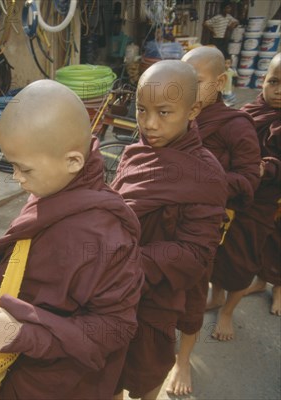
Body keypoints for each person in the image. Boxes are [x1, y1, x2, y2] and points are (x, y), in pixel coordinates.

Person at [0, 80, 144, 399]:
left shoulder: (107, 237)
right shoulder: (55, 188)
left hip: (62, 376)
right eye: (12, 165)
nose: (16, 177)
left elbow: (113, 329)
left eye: (24, 169)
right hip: (18, 347)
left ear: (73, 161)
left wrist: (23, 334)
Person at [111, 60, 228, 400]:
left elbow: (195, 252)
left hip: (158, 292)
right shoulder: (135, 154)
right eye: (141, 110)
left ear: (193, 110)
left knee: (146, 370)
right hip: (115, 289)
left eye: (164, 113)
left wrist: (127, 261)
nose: (149, 124)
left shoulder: (205, 173)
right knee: (110, 366)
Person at [164, 46, 261, 395]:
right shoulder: (177, 115)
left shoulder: (235, 126)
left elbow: (249, 180)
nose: (188, 89)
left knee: (192, 296)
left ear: (220, 82)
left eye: (198, 82)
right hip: (165, 219)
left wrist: (204, 178)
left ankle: (183, 360)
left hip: (201, 227)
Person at [240, 53, 281, 316]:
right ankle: (257, 282)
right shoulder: (249, 113)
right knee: (251, 241)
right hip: (252, 191)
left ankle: (278, 288)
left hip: (276, 193)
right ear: (263, 82)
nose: (279, 91)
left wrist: (267, 167)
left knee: (277, 242)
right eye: (274, 82)